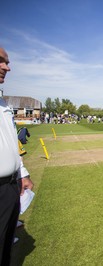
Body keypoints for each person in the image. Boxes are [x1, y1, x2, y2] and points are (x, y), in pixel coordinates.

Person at [0, 47, 34, 265]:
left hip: (10, 186)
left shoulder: (3, 103)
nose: (7, 67)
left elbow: (11, 143)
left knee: (5, 248)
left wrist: (21, 173)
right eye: (1, 61)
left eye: (7, 62)